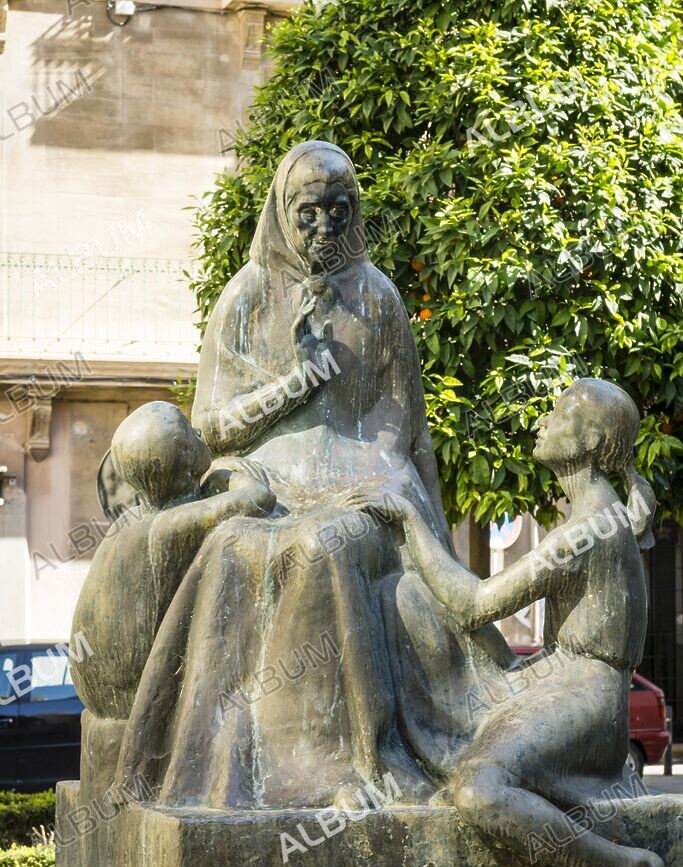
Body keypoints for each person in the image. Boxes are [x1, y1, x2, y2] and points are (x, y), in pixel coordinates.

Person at [112, 141, 511, 811]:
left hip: (361, 482)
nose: (324, 228)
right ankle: (219, 761)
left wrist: (371, 478)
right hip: (264, 480)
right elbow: (208, 427)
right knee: (229, 547)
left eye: (338, 210)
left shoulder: (379, 298)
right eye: (308, 213)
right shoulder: (245, 297)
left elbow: (399, 427)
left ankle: (332, 761)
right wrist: (296, 382)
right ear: (280, 211)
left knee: (328, 544)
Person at [345, 379, 663, 867]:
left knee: (479, 790)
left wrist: (410, 520)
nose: (545, 419)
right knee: (409, 596)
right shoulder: (591, 517)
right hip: (553, 676)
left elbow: (475, 606)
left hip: (587, 694)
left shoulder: (588, 530)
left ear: (589, 441)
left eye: (560, 413)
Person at [70, 401, 275, 722]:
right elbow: (259, 498)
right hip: (132, 701)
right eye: (189, 433)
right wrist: (228, 474)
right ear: (184, 455)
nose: (198, 432)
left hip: (105, 697)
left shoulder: (131, 522)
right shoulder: (168, 528)